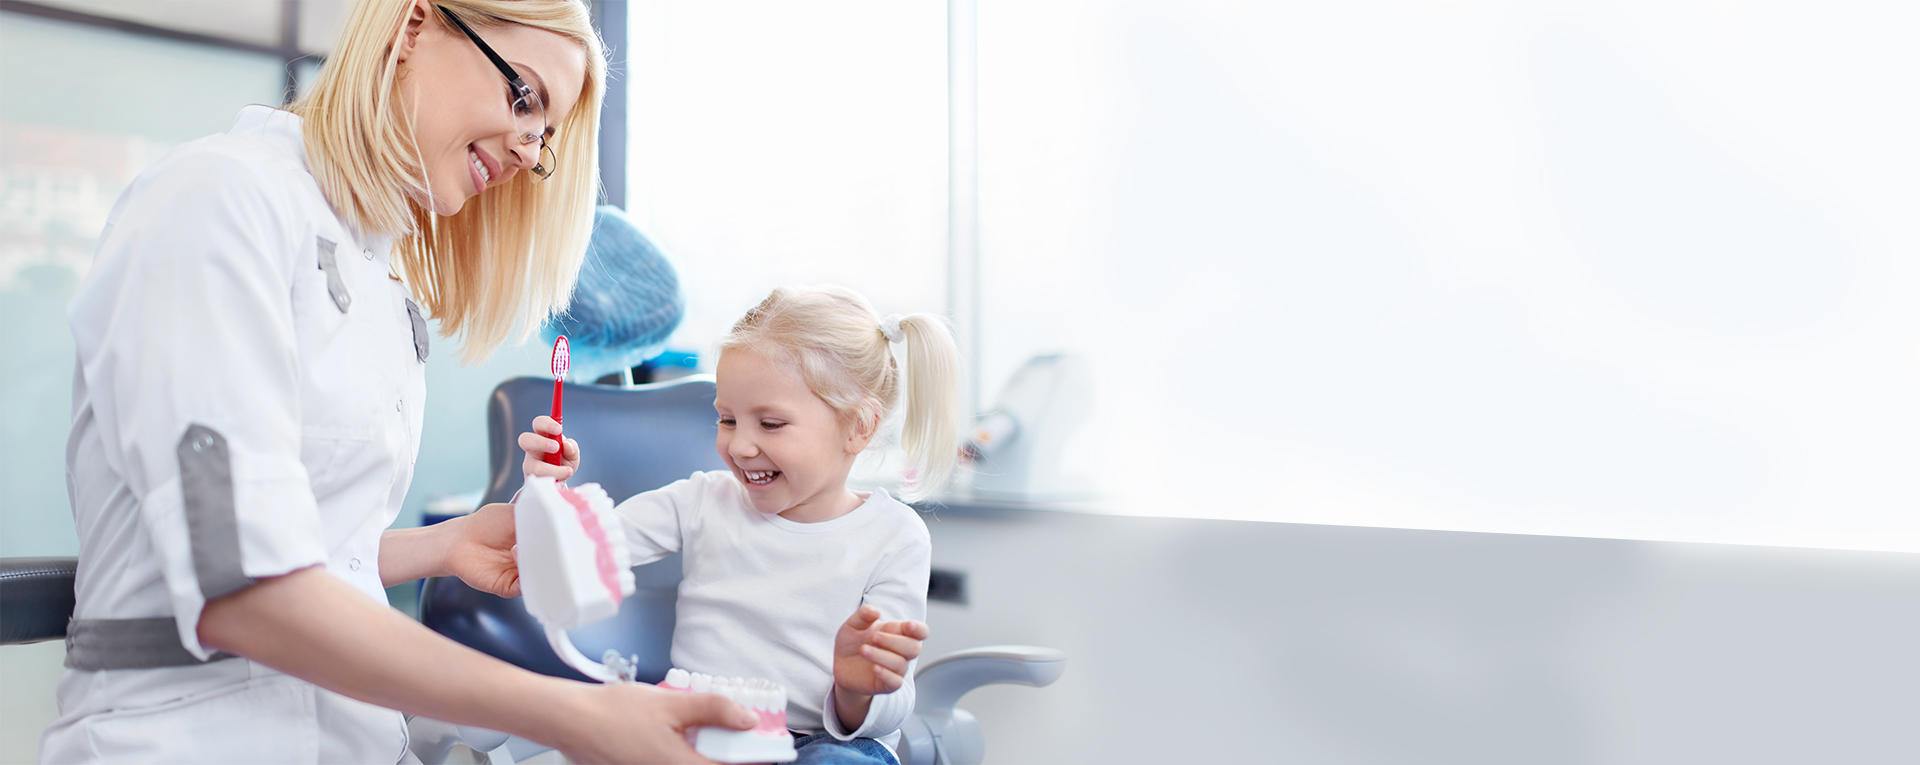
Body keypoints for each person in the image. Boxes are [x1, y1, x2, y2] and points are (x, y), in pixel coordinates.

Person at [42, 1, 755, 762]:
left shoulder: (380, 277)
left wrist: (448, 543)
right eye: (524, 99)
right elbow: (243, 586)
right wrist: (575, 714)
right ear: (414, 26)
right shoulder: (220, 198)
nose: (527, 150)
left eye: (544, 135)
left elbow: (310, 542)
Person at [521, 286, 959, 764]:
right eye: (727, 420)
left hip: (823, 743)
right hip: (701, 731)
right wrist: (547, 493)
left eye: (770, 424)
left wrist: (856, 690)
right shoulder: (701, 501)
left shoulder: (894, 536)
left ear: (859, 427)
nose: (740, 447)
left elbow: (888, 709)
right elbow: (577, 546)